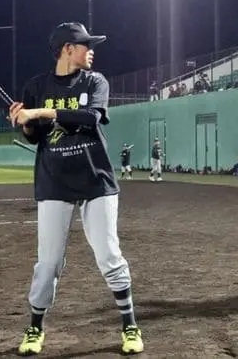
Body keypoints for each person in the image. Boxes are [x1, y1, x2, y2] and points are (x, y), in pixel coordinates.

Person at [8, 22, 143, 355]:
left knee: (108, 254)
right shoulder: (35, 86)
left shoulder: (95, 81)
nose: (92, 51)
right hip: (54, 181)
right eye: (86, 45)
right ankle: (35, 327)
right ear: (68, 49)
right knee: (48, 263)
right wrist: (25, 122)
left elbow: (90, 118)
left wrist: (38, 111)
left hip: (96, 180)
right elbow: (35, 137)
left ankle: (130, 325)